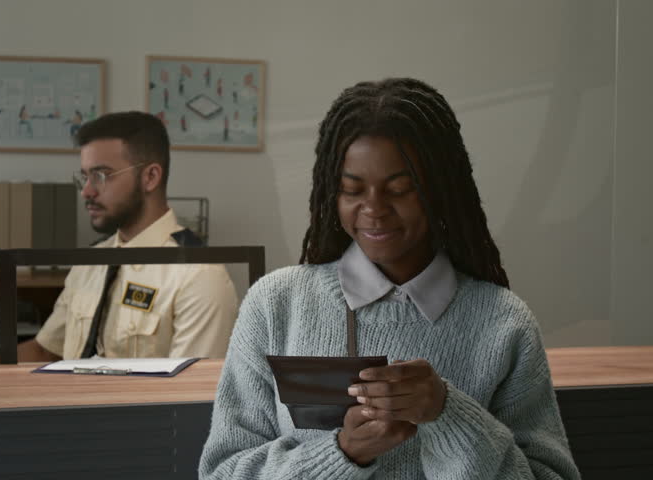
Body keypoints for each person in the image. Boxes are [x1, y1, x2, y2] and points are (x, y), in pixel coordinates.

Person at [199, 78, 580, 479]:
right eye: (352, 190)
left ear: (441, 190)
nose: (374, 209)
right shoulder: (276, 305)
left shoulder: (504, 323)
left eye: (399, 190)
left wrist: (448, 413)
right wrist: (343, 454)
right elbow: (223, 472)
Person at [18, 111, 239, 362]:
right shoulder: (91, 263)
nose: (86, 191)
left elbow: (188, 394)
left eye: (101, 176)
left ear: (150, 177)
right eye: (85, 177)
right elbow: (45, 350)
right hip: (71, 398)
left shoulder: (198, 275)